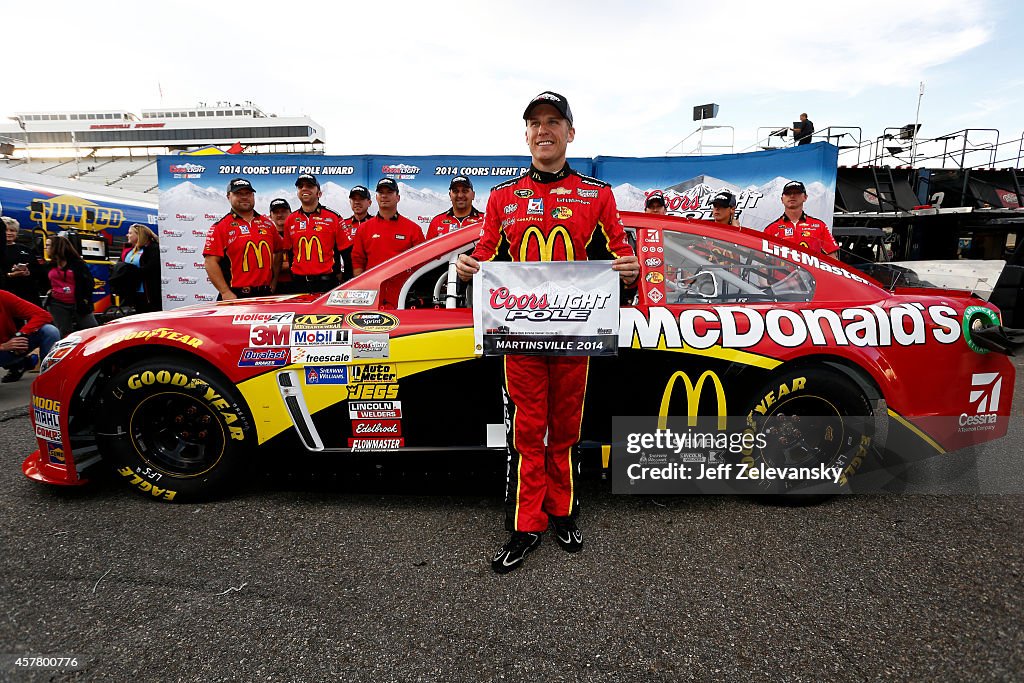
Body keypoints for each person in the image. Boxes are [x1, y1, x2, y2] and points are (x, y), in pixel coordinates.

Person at [456, 91, 639, 574]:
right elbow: (483, 255)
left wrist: (629, 271)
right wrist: (466, 267)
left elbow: (621, 258)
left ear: (570, 133)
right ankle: (526, 523)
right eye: (535, 122)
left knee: (567, 430)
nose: (544, 130)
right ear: (526, 135)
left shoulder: (597, 195)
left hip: (577, 335)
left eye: (554, 121)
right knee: (527, 432)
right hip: (520, 338)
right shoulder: (502, 197)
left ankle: (563, 512)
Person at [203, 178, 285, 299]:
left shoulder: (267, 224)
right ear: (228, 197)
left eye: (248, 193)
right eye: (238, 194)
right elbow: (210, 262)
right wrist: (225, 292)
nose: (244, 197)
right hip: (236, 295)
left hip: (265, 294)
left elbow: (278, 250)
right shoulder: (221, 227)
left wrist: (274, 280)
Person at [350, 178, 424, 276]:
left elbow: (422, 261)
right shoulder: (364, 229)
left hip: (403, 288)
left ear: (398, 198)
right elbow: (357, 261)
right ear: (376, 197)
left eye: (389, 192)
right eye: (381, 192)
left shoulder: (413, 229)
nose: (384, 196)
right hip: (373, 286)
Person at [763, 181, 839, 256]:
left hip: (809, 269)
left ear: (805, 197)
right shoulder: (770, 229)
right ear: (782, 199)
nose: (792, 196)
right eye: (788, 193)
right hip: (781, 268)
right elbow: (763, 261)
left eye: (797, 192)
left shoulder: (819, 226)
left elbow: (832, 259)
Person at [0, 289, 59, 383]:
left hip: (11, 348)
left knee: (49, 331)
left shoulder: (2, 296)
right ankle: (19, 363)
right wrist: (2, 346)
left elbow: (43, 315)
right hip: (4, 348)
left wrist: (21, 335)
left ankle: (49, 377)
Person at [45, 234, 98, 337]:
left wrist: (84, 298)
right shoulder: (50, 265)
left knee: (91, 328)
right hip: (57, 303)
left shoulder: (77, 264)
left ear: (57, 247)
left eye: (48, 245)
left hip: (78, 302)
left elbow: (89, 283)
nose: (46, 248)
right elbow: (42, 280)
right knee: (63, 332)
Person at [119, 224, 162, 312]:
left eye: (130, 233)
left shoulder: (152, 248)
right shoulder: (129, 250)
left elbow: (151, 269)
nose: (128, 235)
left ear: (139, 235)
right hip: (132, 293)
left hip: (147, 294)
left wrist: (130, 271)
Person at [3, 216, 42, 304]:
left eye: (12, 231)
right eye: (5, 230)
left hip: (28, 295)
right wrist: (10, 274)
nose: (9, 233)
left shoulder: (26, 249)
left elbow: (38, 271)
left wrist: (28, 271)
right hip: (5, 295)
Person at [339, 186, 374, 280]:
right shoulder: (343, 224)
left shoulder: (375, 223)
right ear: (350, 202)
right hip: (348, 275)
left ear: (369, 202)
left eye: (361, 199)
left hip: (372, 274)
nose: (357, 202)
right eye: (354, 199)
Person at [269, 198, 294, 293]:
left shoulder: (297, 234)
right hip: (273, 285)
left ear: (290, 213)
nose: (280, 215)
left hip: (296, 283)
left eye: (283, 211)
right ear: (270, 216)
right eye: (276, 212)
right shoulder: (266, 236)